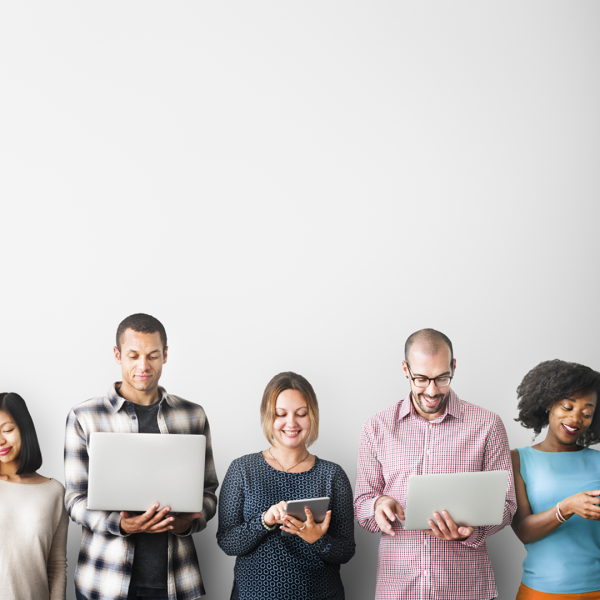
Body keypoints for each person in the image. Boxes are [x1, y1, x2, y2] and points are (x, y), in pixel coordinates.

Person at [64, 313, 218, 600]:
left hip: (175, 581)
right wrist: (120, 524)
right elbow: (74, 500)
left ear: (166, 355)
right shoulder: (84, 417)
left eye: (153, 355)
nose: (143, 366)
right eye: (133, 355)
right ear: (117, 355)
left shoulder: (193, 415)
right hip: (104, 581)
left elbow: (208, 492)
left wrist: (189, 523)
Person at [354, 328, 516, 600]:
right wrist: (378, 505)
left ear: (453, 367)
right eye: (421, 379)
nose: (432, 390)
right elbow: (361, 504)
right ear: (405, 369)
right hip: (398, 590)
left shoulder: (488, 425)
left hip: (465, 590)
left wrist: (472, 533)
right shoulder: (377, 427)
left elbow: (507, 505)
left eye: (442, 378)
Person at [217, 371, 355, 600]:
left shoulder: (332, 475)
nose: (291, 423)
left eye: (301, 414)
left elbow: (346, 550)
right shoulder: (242, 469)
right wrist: (265, 521)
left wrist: (317, 539)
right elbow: (227, 542)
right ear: (267, 416)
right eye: (281, 414)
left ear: (312, 416)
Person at [511, 359, 600, 600]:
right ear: (549, 404)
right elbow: (523, 531)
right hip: (540, 592)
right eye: (567, 407)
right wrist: (568, 507)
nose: (575, 419)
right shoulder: (518, 459)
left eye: (587, 413)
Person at [0, 392, 68, 600]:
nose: (1, 440)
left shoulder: (54, 491)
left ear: (24, 428)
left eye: (8, 430)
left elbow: (56, 567)